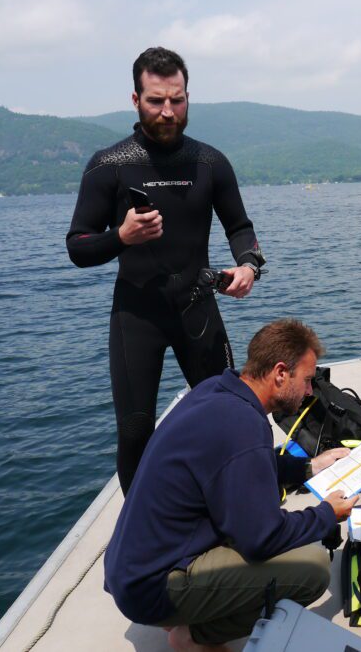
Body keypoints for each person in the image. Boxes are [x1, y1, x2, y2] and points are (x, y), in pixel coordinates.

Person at [66, 47, 265, 494]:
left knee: (229, 412)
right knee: (136, 431)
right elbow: (77, 246)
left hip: (199, 305)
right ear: (135, 100)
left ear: (188, 98)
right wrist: (121, 237)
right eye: (156, 100)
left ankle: (233, 506)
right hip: (138, 314)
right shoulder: (109, 165)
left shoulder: (210, 162)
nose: (168, 111)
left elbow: (240, 227)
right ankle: (142, 533)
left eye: (176, 100)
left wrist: (249, 265)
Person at [104, 319, 358, 651]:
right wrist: (327, 514)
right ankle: (194, 637)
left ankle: (189, 612)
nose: (311, 391)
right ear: (280, 373)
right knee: (311, 568)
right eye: (307, 380)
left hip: (133, 570)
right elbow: (262, 539)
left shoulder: (216, 391)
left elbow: (243, 465)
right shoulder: (244, 426)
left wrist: (309, 466)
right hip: (153, 589)